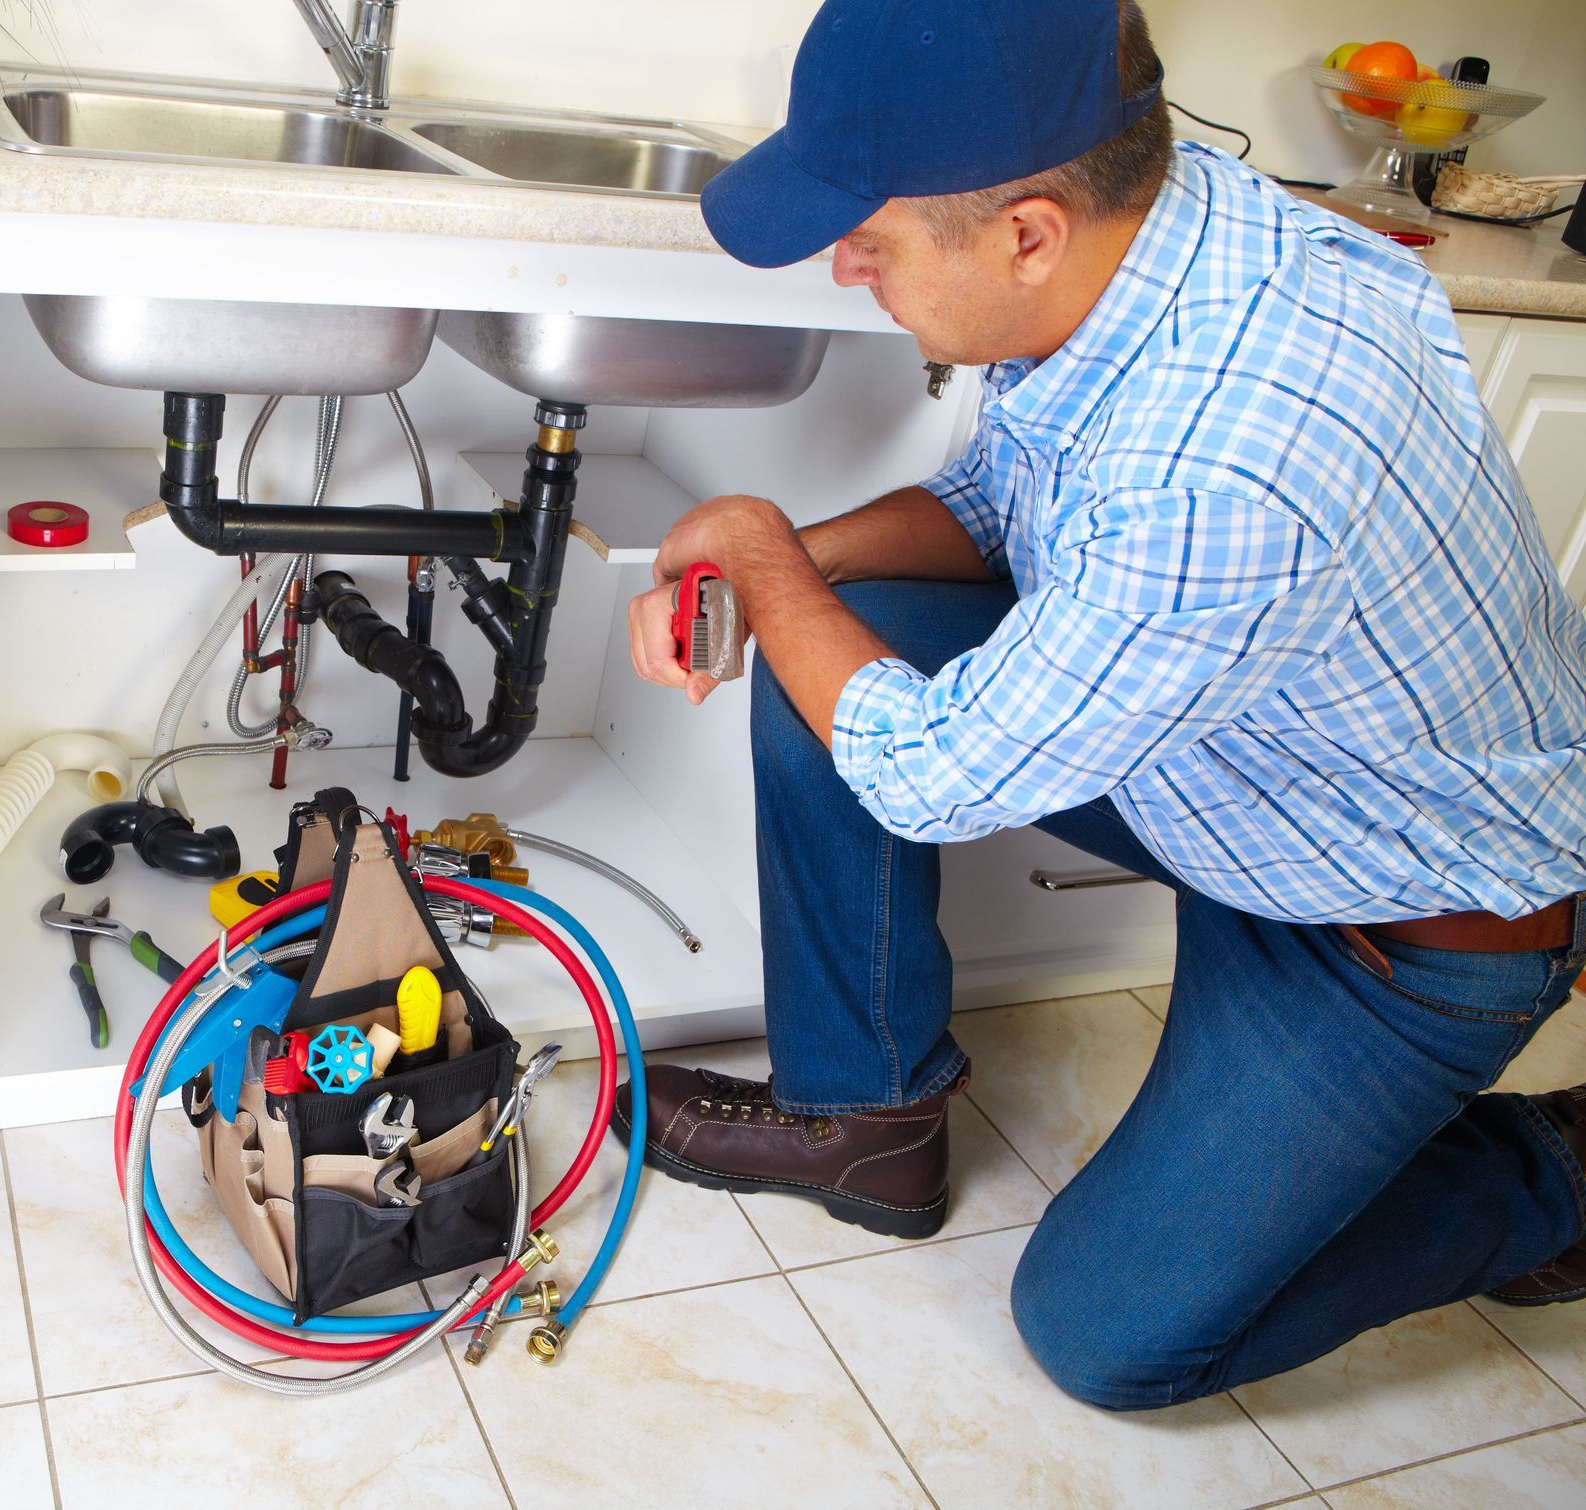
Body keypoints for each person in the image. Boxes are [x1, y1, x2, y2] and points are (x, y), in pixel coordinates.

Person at [614, 0, 1586, 1411]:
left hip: (1393, 931)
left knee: (1107, 1336)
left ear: (1024, 232)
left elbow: (929, 776)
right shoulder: (1162, 238)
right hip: (1247, 769)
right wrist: (794, 566)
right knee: (841, 634)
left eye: (872, 237)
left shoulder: (1227, 456)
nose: (846, 264)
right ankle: (864, 1118)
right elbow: (1005, 508)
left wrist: (760, 547)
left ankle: (1552, 1173)